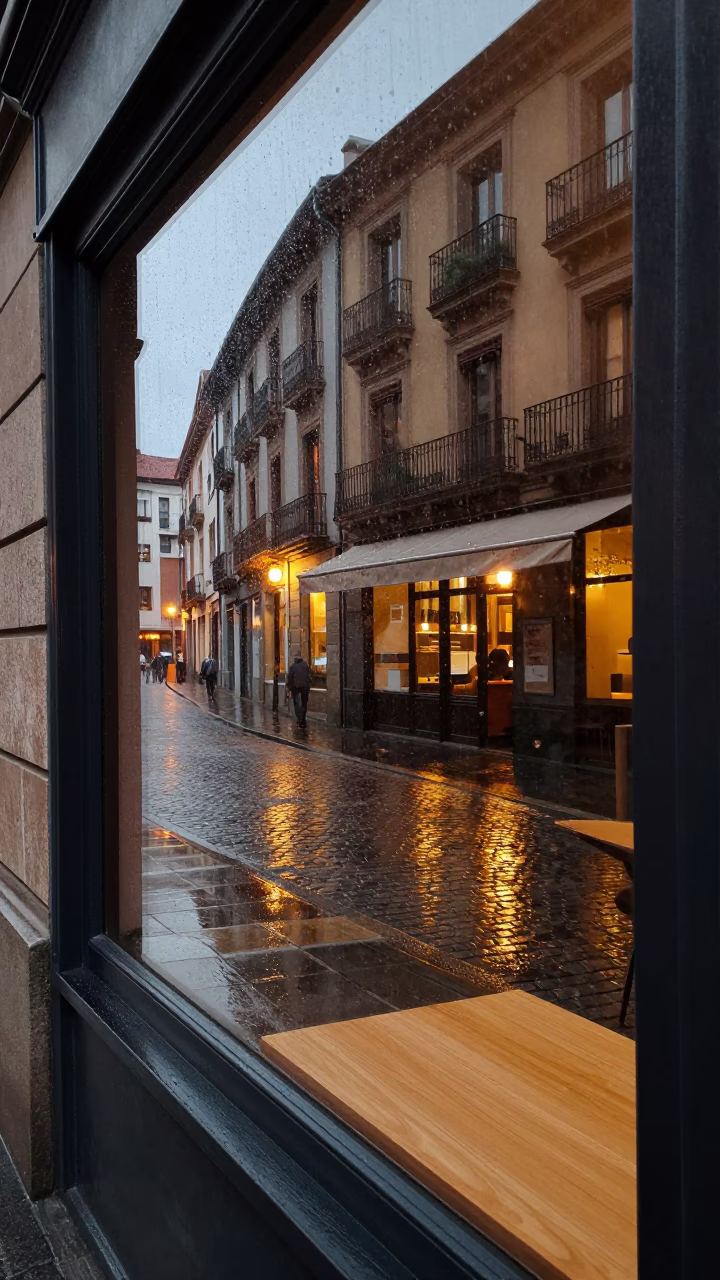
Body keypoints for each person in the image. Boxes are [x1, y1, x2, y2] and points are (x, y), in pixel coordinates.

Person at [286, 653, 311, 727]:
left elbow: (290, 677)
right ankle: (303, 718)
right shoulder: (305, 665)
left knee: (297, 704)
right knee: (304, 704)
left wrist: (289, 687)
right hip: (305, 687)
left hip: (295, 687)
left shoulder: (293, 666)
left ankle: (299, 719)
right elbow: (309, 675)